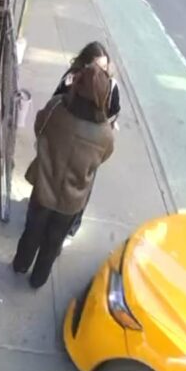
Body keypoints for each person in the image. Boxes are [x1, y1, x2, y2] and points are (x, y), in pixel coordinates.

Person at [14, 64, 115, 288]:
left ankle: (20, 265)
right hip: (73, 198)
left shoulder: (57, 107)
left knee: (32, 231)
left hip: (44, 187)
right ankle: (38, 280)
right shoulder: (105, 134)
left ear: (77, 85)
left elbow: (39, 128)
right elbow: (103, 158)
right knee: (53, 242)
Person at [55, 42, 120, 240]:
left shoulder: (111, 87)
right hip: (68, 140)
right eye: (96, 67)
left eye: (104, 67)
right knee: (58, 180)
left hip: (90, 148)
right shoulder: (70, 80)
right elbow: (56, 102)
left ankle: (71, 226)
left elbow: (114, 112)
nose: (100, 72)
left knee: (81, 188)